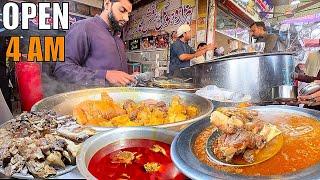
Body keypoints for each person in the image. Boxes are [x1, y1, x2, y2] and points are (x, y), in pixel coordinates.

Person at [54, 0, 135, 87]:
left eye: (128, 14)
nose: (126, 18)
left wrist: (129, 77)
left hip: (119, 98)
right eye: (122, 10)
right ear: (107, 4)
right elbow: (62, 69)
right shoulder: (84, 27)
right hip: (93, 99)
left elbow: (116, 75)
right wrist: (105, 75)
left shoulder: (118, 39)